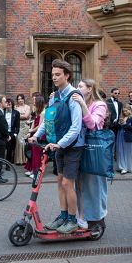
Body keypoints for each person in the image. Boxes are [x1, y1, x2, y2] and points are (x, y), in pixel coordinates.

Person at [29, 59, 84, 234]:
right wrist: (35, 135)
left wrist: (60, 144)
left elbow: (76, 127)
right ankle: (63, 216)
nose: (54, 77)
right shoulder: (55, 97)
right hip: (57, 145)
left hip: (72, 146)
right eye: (52, 74)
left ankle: (73, 220)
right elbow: (48, 121)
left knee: (68, 183)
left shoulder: (74, 96)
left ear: (67, 75)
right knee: (60, 181)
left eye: (57, 74)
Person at [72, 79, 108, 229]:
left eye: (80, 86)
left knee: (94, 184)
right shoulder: (78, 104)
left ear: (89, 89)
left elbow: (92, 124)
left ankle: (97, 217)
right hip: (79, 148)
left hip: (94, 149)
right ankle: (81, 216)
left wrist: (81, 104)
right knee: (79, 183)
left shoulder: (100, 105)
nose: (77, 88)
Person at [24, 96, 46, 179]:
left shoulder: (43, 112)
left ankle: (36, 172)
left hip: (40, 135)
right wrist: (30, 131)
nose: (33, 102)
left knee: (37, 154)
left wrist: (31, 131)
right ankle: (31, 169)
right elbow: (34, 122)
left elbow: (40, 126)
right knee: (32, 153)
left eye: (34, 100)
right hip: (35, 133)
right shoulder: (37, 111)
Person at [116, 105, 132, 174]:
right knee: (119, 151)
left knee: (127, 152)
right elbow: (117, 127)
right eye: (123, 111)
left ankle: (126, 168)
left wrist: (125, 124)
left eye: (126, 110)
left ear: (130, 110)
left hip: (127, 136)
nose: (125, 112)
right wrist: (118, 123)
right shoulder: (122, 117)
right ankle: (121, 167)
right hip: (120, 135)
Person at [14, 94, 31, 165]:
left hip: (25, 126)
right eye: (18, 99)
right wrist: (21, 116)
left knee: (24, 142)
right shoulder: (15, 107)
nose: (20, 100)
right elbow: (14, 116)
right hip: (18, 126)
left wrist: (18, 116)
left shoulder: (27, 107)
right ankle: (19, 160)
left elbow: (26, 116)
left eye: (21, 99)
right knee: (18, 142)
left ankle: (25, 160)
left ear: (24, 99)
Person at [4, 98, 20, 164]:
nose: (8, 106)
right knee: (2, 148)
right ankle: (1, 162)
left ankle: (8, 164)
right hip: (4, 132)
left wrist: (15, 134)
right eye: (7, 104)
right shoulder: (2, 112)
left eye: (9, 104)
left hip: (11, 133)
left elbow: (17, 125)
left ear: (12, 105)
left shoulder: (16, 113)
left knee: (10, 149)